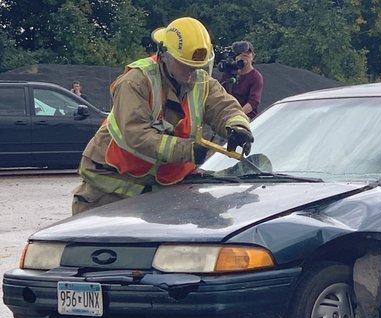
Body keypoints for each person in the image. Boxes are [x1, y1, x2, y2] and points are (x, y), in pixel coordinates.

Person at [71, 17, 253, 215]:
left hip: (158, 190)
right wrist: (189, 150)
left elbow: (224, 107)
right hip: (111, 183)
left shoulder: (201, 81)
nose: (194, 72)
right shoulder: (136, 81)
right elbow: (137, 135)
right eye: (187, 66)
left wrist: (238, 127)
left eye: (199, 66)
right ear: (165, 56)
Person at [220, 41, 263, 119]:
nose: (245, 55)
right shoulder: (229, 73)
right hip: (227, 115)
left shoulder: (256, 77)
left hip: (246, 117)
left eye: (248, 53)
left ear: (252, 57)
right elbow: (220, 93)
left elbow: (253, 102)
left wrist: (236, 115)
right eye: (242, 54)